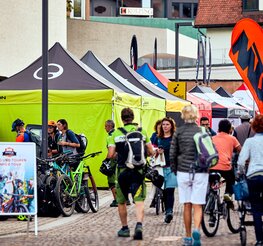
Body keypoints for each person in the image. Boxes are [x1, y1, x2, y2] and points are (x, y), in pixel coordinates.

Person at [107, 108, 154, 240]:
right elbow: (151, 151)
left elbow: (110, 154)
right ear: (133, 118)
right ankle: (139, 225)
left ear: (122, 119)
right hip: (138, 171)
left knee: (121, 201)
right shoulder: (142, 131)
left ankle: (125, 228)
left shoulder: (116, 133)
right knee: (139, 200)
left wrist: (117, 154)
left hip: (122, 171)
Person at [170, 105, 208, 246]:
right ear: (196, 115)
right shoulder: (202, 131)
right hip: (200, 171)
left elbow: (172, 153)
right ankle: (197, 230)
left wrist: (175, 169)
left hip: (183, 171)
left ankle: (187, 236)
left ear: (183, 115)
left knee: (187, 204)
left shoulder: (178, 132)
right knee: (197, 205)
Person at [237, 114, 263, 246]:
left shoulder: (250, 142)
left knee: (256, 209)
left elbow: (241, 162)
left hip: (254, 175)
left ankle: (260, 240)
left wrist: (239, 172)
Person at [211, 119, 241, 201]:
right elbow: (240, 150)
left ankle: (210, 196)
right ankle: (228, 194)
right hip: (225, 167)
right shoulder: (232, 139)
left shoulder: (212, 138)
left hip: (212, 167)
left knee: (210, 181)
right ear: (229, 128)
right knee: (231, 180)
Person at [155, 117, 177, 224]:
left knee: (170, 190)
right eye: (163, 124)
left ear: (171, 126)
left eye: (167, 124)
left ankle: (169, 212)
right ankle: (167, 209)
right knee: (163, 191)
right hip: (160, 168)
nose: (165, 126)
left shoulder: (175, 138)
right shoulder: (157, 138)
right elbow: (151, 150)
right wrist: (157, 151)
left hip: (171, 167)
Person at [104, 120, 118, 207]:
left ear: (109, 126)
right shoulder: (118, 133)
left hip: (114, 160)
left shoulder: (110, 136)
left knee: (111, 181)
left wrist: (106, 160)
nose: (104, 128)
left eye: (105, 126)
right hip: (121, 159)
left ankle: (116, 200)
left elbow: (111, 151)